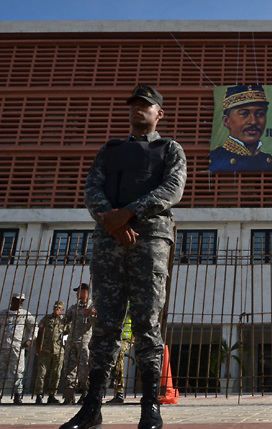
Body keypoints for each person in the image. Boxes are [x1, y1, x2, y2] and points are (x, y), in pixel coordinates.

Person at [60, 84, 187, 429]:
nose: (137, 109)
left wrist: (127, 213)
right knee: (106, 325)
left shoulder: (169, 149)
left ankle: (150, 407)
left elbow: (172, 189)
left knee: (147, 322)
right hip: (109, 241)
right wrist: (112, 222)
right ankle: (91, 408)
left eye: (145, 105)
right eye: (133, 104)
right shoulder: (109, 150)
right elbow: (92, 190)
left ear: (159, 113)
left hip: (150, 240)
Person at [210, 84, 272, 172]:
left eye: (260, 114)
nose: (254, 121)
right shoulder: (214, 160)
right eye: (244, 113)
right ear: (226, 121)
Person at [61, 283, 96, 405]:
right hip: (71, 341)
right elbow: (65, 319)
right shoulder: (74, 307)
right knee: (69, 367)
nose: (77, 294)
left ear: (85, 292)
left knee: (84, 368)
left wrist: (91, 314)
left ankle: (85, 394)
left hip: (84, 341)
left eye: (79, 291)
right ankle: (69, 396)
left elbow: (97, 322)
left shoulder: (93, 307)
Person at [0, 292, 36, 404]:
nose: (21, 302)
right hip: (3, 347)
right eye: (18, 299)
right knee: (1, 371)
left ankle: (17, 394)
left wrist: (30, 339)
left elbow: (34, 326)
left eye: (22, 300)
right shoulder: (3, 314)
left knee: (18, 371)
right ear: (12, 300)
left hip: (17, 347)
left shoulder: (25, 314)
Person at [34, 300, 67, 405]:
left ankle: (52, 395)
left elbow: (69, 333)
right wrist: (38, 347)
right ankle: (39, 394)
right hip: (46, 350)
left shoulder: (64, 321)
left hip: (58, 351)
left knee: (56, 373)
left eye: (59, 308)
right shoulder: (46, 319)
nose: (56, 310)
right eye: (55, 308)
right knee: (42, 373)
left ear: (62, 310)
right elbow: (39, 332)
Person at [106, 311, 133, 404]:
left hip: (127, 339)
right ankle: (112, 377)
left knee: (120, 352)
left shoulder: (132, 305)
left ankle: (119, 392)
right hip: (115, 338)